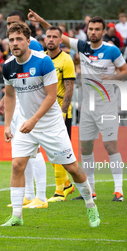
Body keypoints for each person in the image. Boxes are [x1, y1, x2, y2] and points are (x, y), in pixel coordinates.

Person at [0, 21, 100, 227]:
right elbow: (9, 96)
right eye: (11, 40)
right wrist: (7, 125)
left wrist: (33, 120)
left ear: (28, 41)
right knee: (17, 165)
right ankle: (17, 216)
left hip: (51, 125)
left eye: (19, 39)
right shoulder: (8, 66)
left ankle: (91, 205)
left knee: (72, 168)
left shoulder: (43, 62)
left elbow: (52, 96)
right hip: (26, 126)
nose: (14, 43)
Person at [28, 9, 127, 202]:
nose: (93, 32)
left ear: (102, 32)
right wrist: (40, 20)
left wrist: (112, 77)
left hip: (107, 106)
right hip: (87, 107)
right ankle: (90, 191)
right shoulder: (82, 46)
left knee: (110, 146)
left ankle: (119, 190)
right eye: (91, 29)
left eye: (97, 29)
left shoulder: (112, 50)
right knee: (85, 149)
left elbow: (125, 71)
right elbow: (56, 34)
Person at [0, 10, 47, 210]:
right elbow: (17, 79)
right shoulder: (14, 45)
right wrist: (4, 100)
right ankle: (28, 195)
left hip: (30, 106)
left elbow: (41, 73)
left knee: (34, 151)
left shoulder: (32, 44)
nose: (10, 26)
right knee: (21, 151)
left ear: (24, 24)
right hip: (18, 105)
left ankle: (41, 197)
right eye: (8, 24)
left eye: (14, 23)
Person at [44, 26, 76, 202]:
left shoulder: (66, 60)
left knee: (60, 151)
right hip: (44, 112)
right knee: (51, 151)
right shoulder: (41, 58)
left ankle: (59, 191)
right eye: (48, 36)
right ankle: (67, 185)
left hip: (60, 112)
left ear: (60, 40)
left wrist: (63, 112)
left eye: (54, 37)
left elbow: (70, 88)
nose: (50, 39)